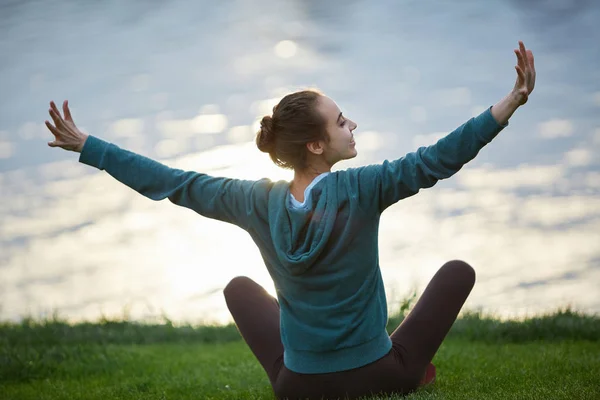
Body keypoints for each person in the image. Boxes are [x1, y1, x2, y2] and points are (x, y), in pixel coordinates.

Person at [45, 41, 536, 399]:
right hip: (382, 374)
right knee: (457, 274)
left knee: (240, 288)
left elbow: (175, 183)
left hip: (298, 387)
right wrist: (507, 105)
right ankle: (406, 370)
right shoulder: (365, 188)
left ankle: (317, 368)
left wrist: (91, 146)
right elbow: (437, 159)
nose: (353, 124)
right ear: (316, 145)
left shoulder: (255, 201)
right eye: (342, 121)